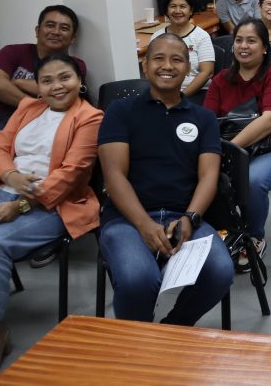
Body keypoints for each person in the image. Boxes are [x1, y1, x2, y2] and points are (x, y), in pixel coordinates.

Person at [0, 55, 101, 384]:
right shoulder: (28, 108)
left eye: (65, 78)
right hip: (6, 194)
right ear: (38, 86)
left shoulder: (90, 117)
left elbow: (71, 175)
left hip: (56, 206)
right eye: (47, 80)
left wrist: (22, 204)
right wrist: (11, 176)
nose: (57, 86)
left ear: (78, 81)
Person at [97, 34, 233, 326]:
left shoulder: (203, 118)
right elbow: (113, 175)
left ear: (187, 68)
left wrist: (190, 218)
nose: (167, 66)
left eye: (177, 59)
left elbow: (209, 175)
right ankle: (139, 343)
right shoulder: (121, 111)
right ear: (145, 67)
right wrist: (144, 225)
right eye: (158, 58)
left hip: (183, 218)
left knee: (221, 271)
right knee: (139, 280)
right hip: (126, 219)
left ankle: (173, 329)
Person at [203, 19, 271, 263]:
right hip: (236, 146)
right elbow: (207, 119)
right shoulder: (221, 80)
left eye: (251, 41)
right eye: (239, 40)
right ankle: (220, 231)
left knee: (252, 180)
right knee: (203, 174)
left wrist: (228, 151)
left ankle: (253, 237)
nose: (243, 46)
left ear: (264, 48)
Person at [0, 5, 87, 203]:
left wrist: (15, 83)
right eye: (50, 25)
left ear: (72, 38)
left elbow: (60, 94)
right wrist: (32, 101)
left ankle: (2, 203)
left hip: (40, 126)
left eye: (64, 28)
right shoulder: (13, 52)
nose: (55, 31)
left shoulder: (75, 65)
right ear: (37, 31)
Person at [150, 0, 214, 99]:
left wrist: (181, 96)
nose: (177, 11)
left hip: (195, 93)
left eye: (183, 6)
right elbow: (151, 68)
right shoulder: (157, 37)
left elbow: (207, 72)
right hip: (163, 93)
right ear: (166, 9)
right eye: (173, 6)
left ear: (190, 10)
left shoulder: (201, 36)